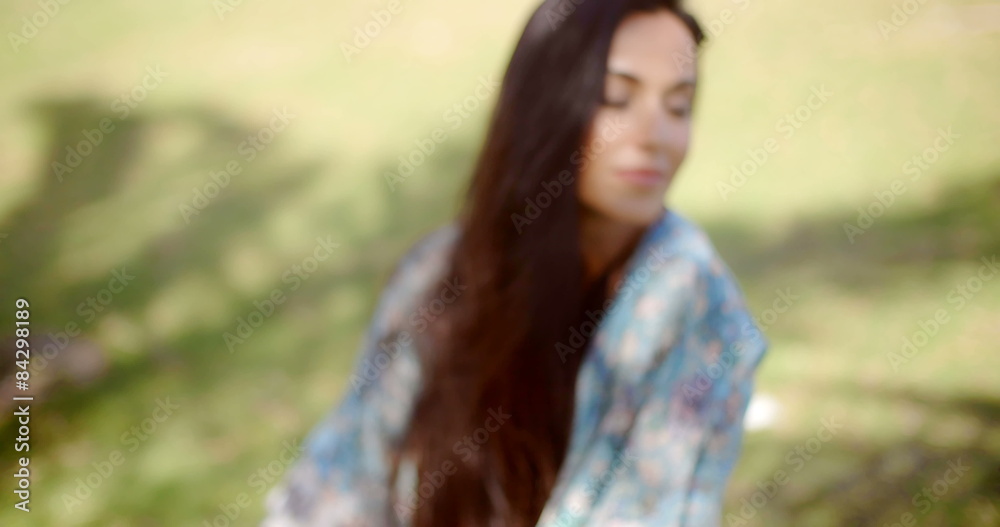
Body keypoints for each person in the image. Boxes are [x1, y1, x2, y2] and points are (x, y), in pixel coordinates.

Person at [262, 0, 768, 525]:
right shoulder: (439, 273)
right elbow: (340, 479)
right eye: (616, 98)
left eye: (679, 106)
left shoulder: (697, 313)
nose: (655, 135)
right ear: (544, 103)